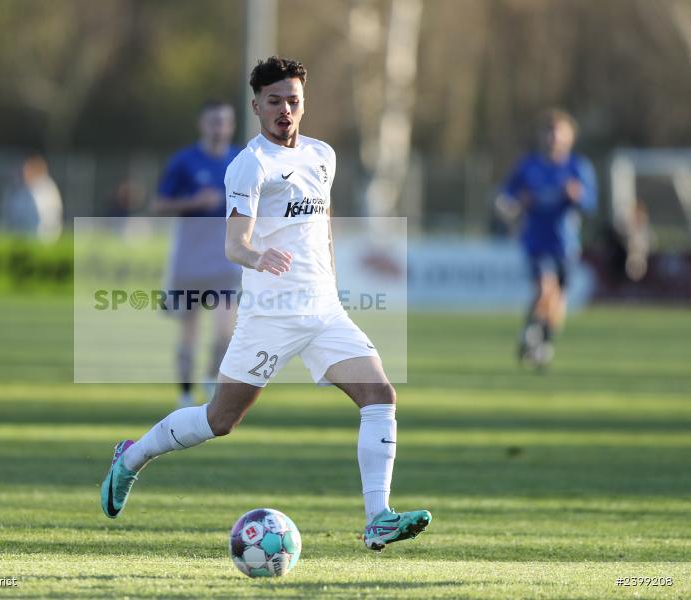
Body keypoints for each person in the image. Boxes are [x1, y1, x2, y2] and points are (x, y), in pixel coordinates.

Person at [101, 57, 431, 551]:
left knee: (380, 395)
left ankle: (378, 517)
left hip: (323, 312)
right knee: (220, 421)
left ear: (304, 103)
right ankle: (130, 459)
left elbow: (323, 226)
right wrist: (260, 255)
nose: (284, 109)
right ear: (255, 105)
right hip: (270, 318)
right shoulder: (249, 165)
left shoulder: (323, 155)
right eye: (274, 101)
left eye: (293, 100)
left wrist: (331, 284)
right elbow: (235, 245)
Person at [152, 99, 243, 407]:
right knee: (188, 333)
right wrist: (193, 202)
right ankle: (186, 393)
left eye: (225, 121)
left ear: (232, 125)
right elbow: (158, 205)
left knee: (225, 331)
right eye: (213, 121)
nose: (220, 128)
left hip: (226, 262)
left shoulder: (241, 160)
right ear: (202, 125)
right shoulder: (184, 161)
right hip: (189, 263)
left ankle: (210, 376)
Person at [496, 108, 597, 368]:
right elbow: (505, 200)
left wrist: (578, 197)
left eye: (559, 133)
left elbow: (591, 204)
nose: (553, 138)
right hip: (536, 240)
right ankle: (529, 333)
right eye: (549, 132)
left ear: (570, 137)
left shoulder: (578, 167)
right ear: (542, 136)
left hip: (566, 242)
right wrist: (517, 203)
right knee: (544, 287)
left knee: (558, 300)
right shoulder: (528, 166)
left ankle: (544, 343)